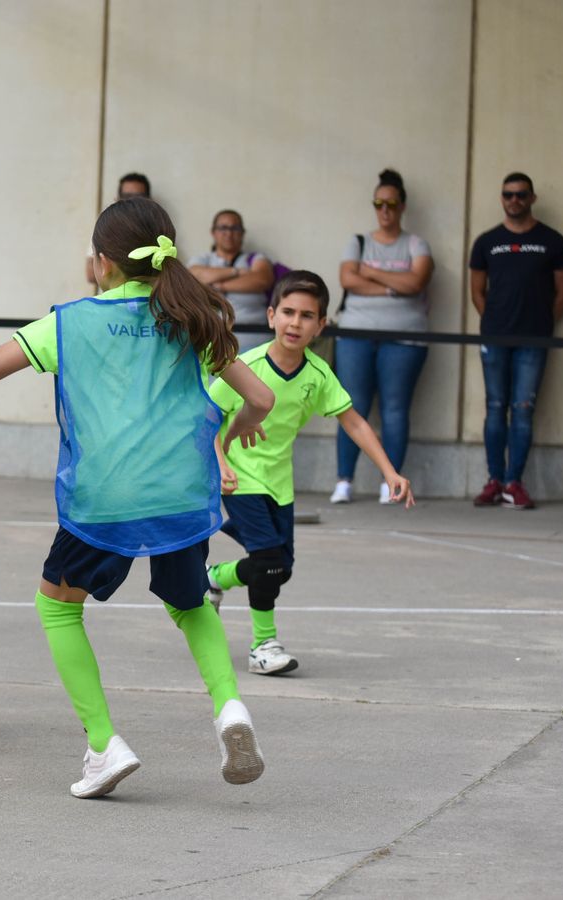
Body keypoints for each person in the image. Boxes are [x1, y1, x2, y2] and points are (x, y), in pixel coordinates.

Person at [0, 196, 276, 798]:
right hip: (179, 494)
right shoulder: (196, 319)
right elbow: (262, 399)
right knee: (190, 602)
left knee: (57, 606)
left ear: (101, 263)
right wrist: (237, 431)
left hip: (103, 499)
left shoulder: (70, 321)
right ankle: (230, 708)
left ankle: (103, 744)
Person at [206, 271, 414, 676]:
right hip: (239, 477)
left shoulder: (317, 375)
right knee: (266, 560)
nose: (295, 323)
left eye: (306, 316)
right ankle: (262, 647)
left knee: (280, 568)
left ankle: (215, 577)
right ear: (270, 316)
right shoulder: (244, 368)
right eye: (287, 312)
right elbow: (205, 419)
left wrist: (390, 472)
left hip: (279, 483)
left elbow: (353, 422)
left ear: (321, 325)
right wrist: (221, 464)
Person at [468, 173, 563, 510]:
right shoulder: (486, 242)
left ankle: (515, 482)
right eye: (508, 195)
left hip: (534, 340)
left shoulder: (553, 241)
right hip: (495, 338)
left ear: (532, 198)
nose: (514, 200)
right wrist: (495, 323)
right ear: (502, 198)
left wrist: (540, 324)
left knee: (523, 410)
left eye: (521, 195)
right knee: (495, 408)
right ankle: (494, 481)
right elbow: (477, 292)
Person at [332, 168, 434, 506]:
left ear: (402, 206)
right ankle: (344, 480)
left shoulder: (416, 243)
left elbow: (416, 283)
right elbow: (348, 279)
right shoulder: (358, 241)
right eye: (379, 204)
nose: (385, 210)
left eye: (391, 204)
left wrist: (372, 273)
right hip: (355, 333)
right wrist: (395, 282)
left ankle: (390, 483)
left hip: (404, 337)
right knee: (350, 406)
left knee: (394, 409)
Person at [188, 209, 275, 344]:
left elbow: (261, 279)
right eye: (223, 228)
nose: (228, 233)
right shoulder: (202, 259)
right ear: (213, 232)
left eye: (235, 228)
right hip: (213, 340)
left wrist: (220, 285)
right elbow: (195, 275)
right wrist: (237, 272)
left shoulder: (255, 258)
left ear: (242, 233)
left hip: (256, 338)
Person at [84, 173, 151, 291]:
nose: (132, 201)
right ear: (117, 199)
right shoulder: (107, 226)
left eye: (139, 196)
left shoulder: (155, 226)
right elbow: (90, 273)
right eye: (126, 196)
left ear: (149, 199)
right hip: (113, 302)